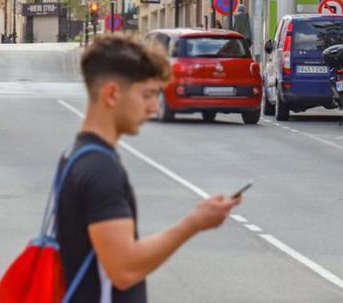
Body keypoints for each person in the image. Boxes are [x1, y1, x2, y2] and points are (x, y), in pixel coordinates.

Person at [57, 34, 240, 302]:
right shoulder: (100, 169)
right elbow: (125, 269)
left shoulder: (75, 154)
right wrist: (195, 223)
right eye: (148, 94)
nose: (154, 107)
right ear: (111, 94)